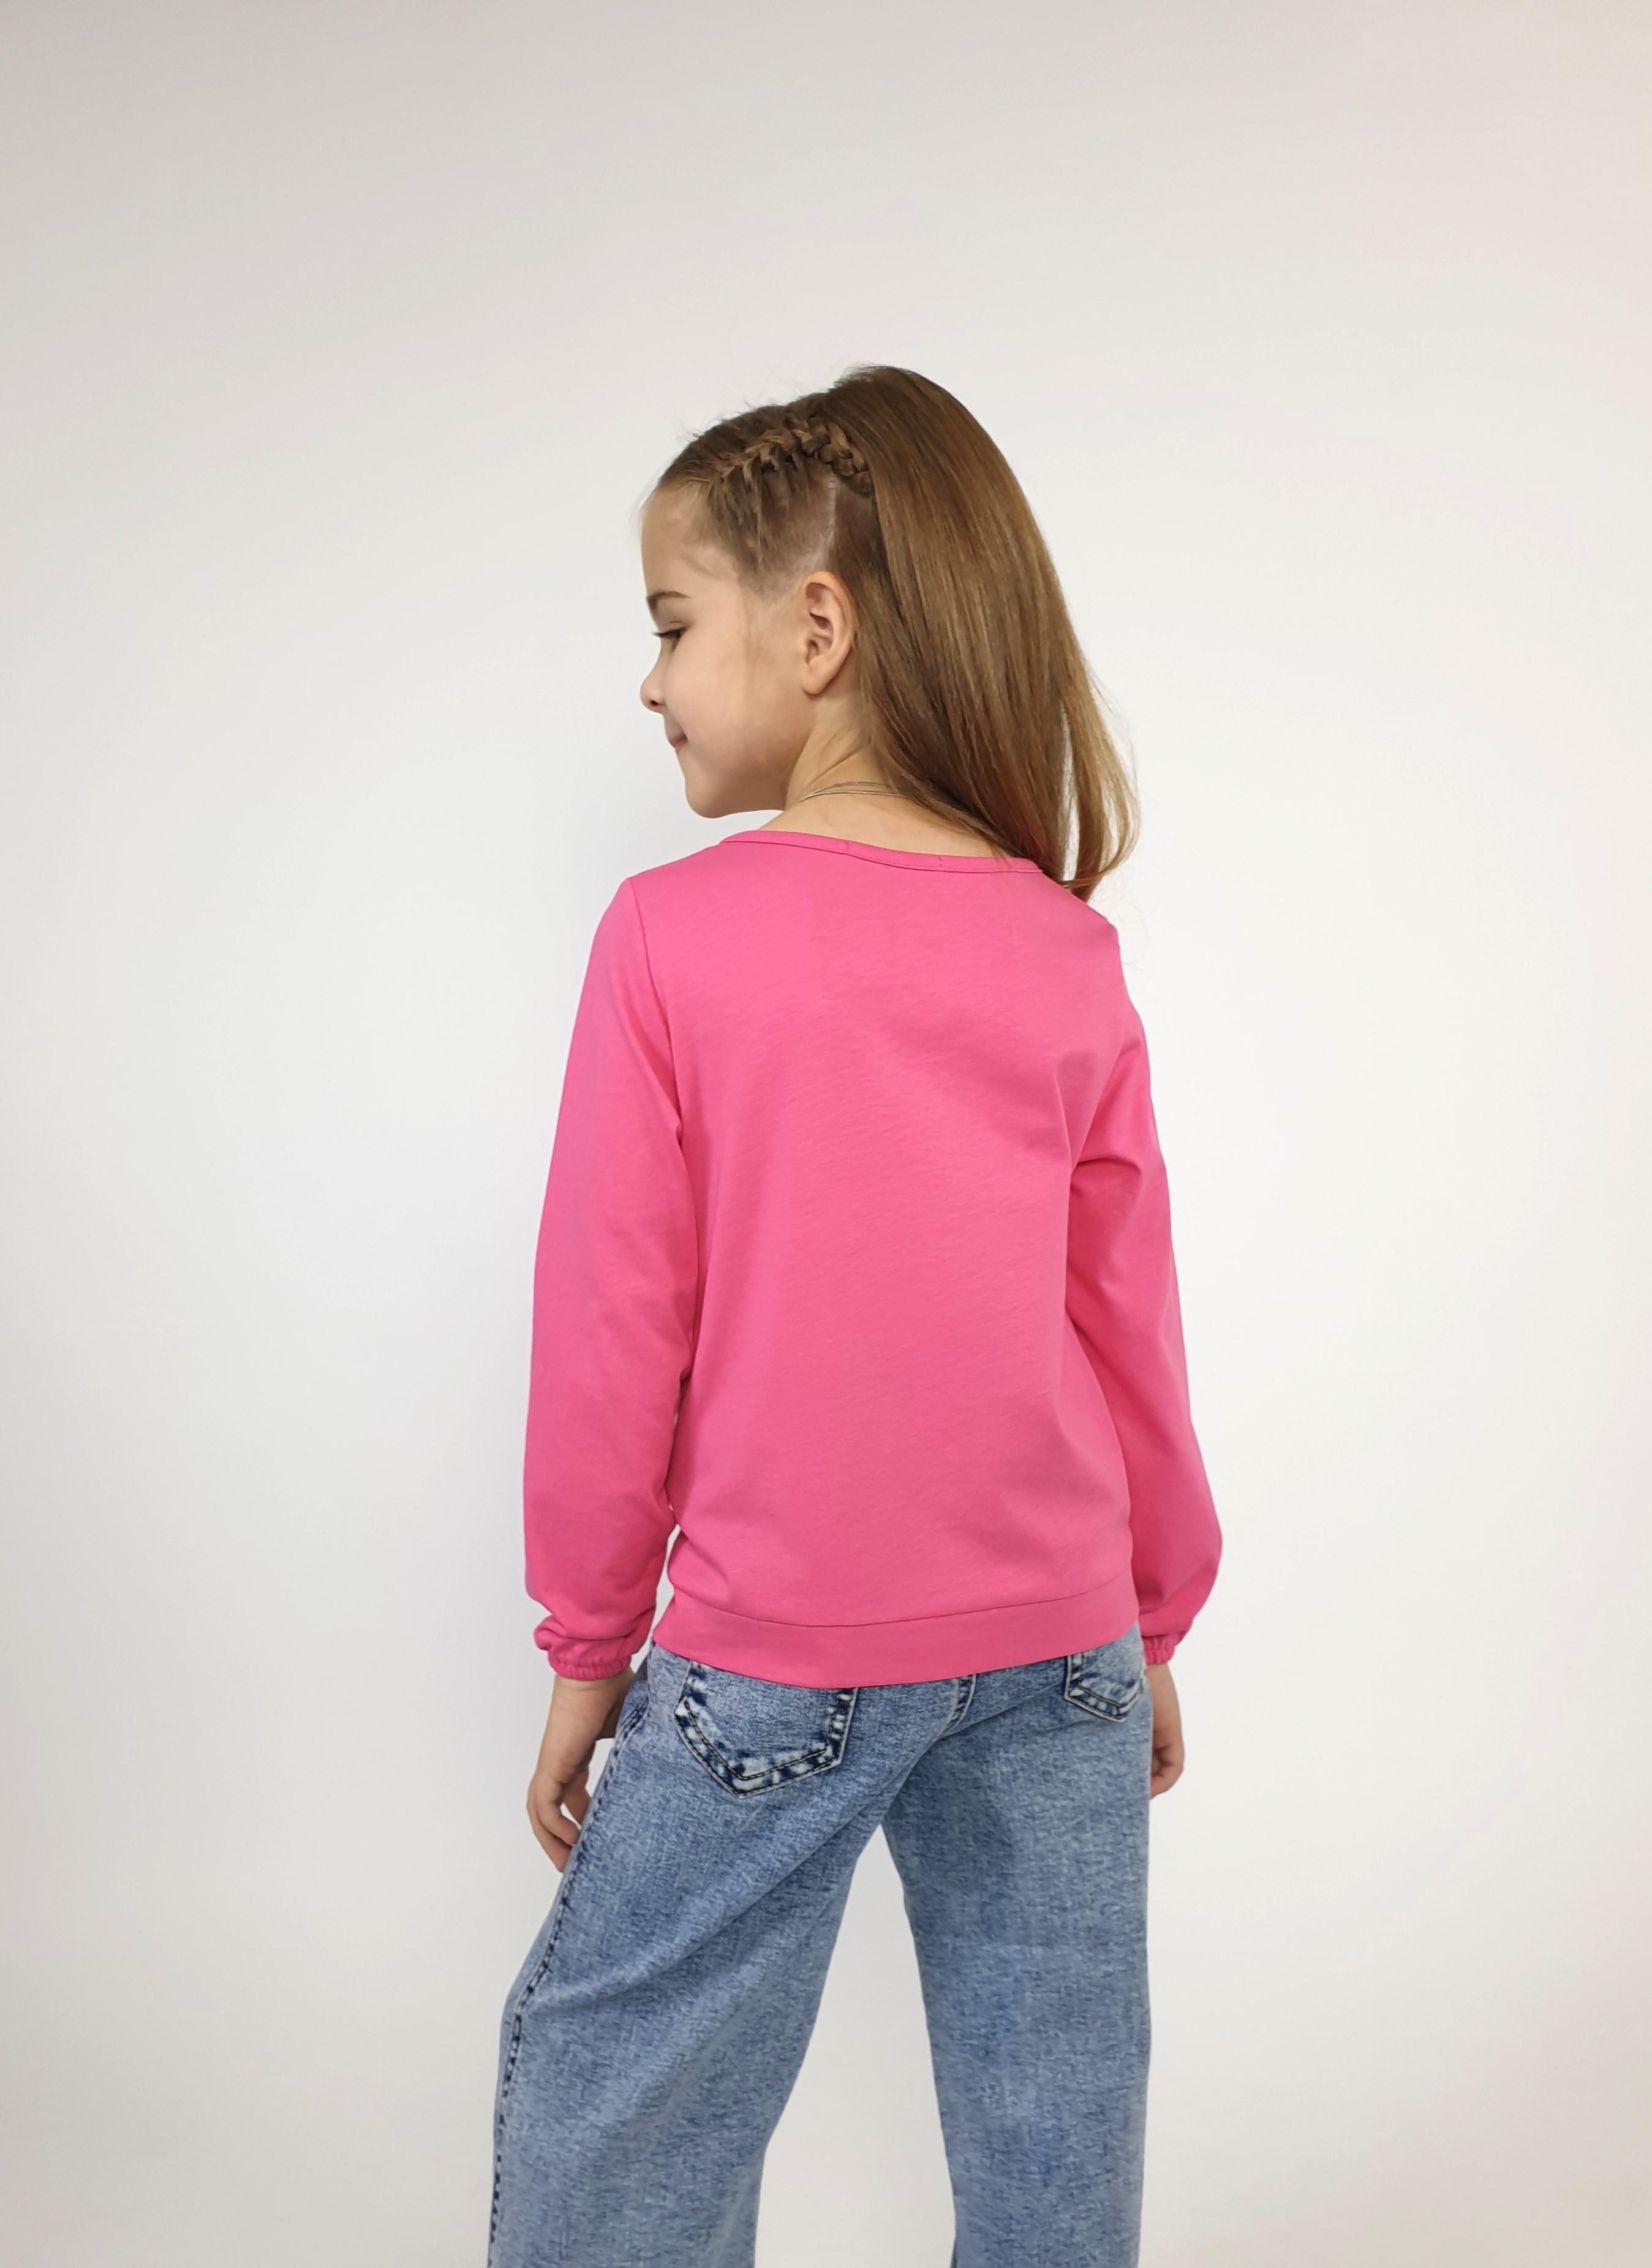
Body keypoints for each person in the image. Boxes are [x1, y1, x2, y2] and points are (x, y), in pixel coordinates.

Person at [486, 366, 1223, 2268]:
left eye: (671, 624)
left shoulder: (669, 937)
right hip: (1060, 1650)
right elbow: (1127, 1324)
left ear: (814, 629)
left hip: (777, 1657)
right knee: (1056, 2140)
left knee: (621, 2109)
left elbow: (612, 1329)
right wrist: (1149, 1614)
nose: (649, 682)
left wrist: (589, 1645)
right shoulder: (1064, 947)